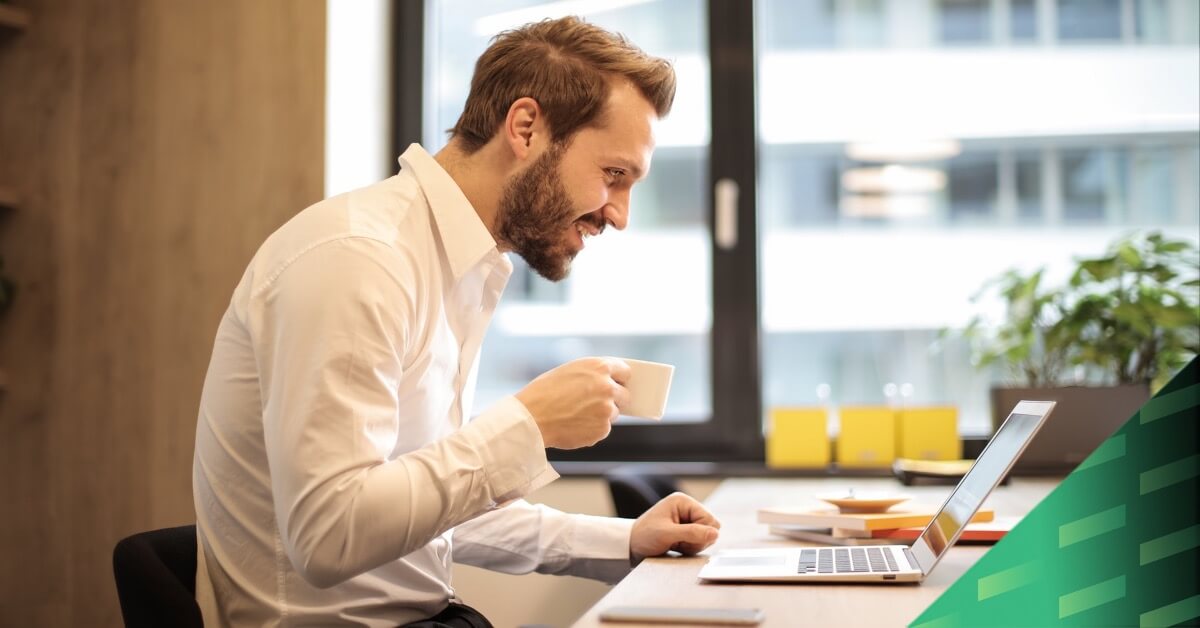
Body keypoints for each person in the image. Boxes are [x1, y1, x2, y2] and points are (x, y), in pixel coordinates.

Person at [192, 15, 721, 628]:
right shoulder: (359, 259)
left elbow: (423, 509)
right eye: (613, 175)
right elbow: (329, 535)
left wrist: (623, 540)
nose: (620, 215)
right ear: (525, 128)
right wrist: (527, 425)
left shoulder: (460, 266)